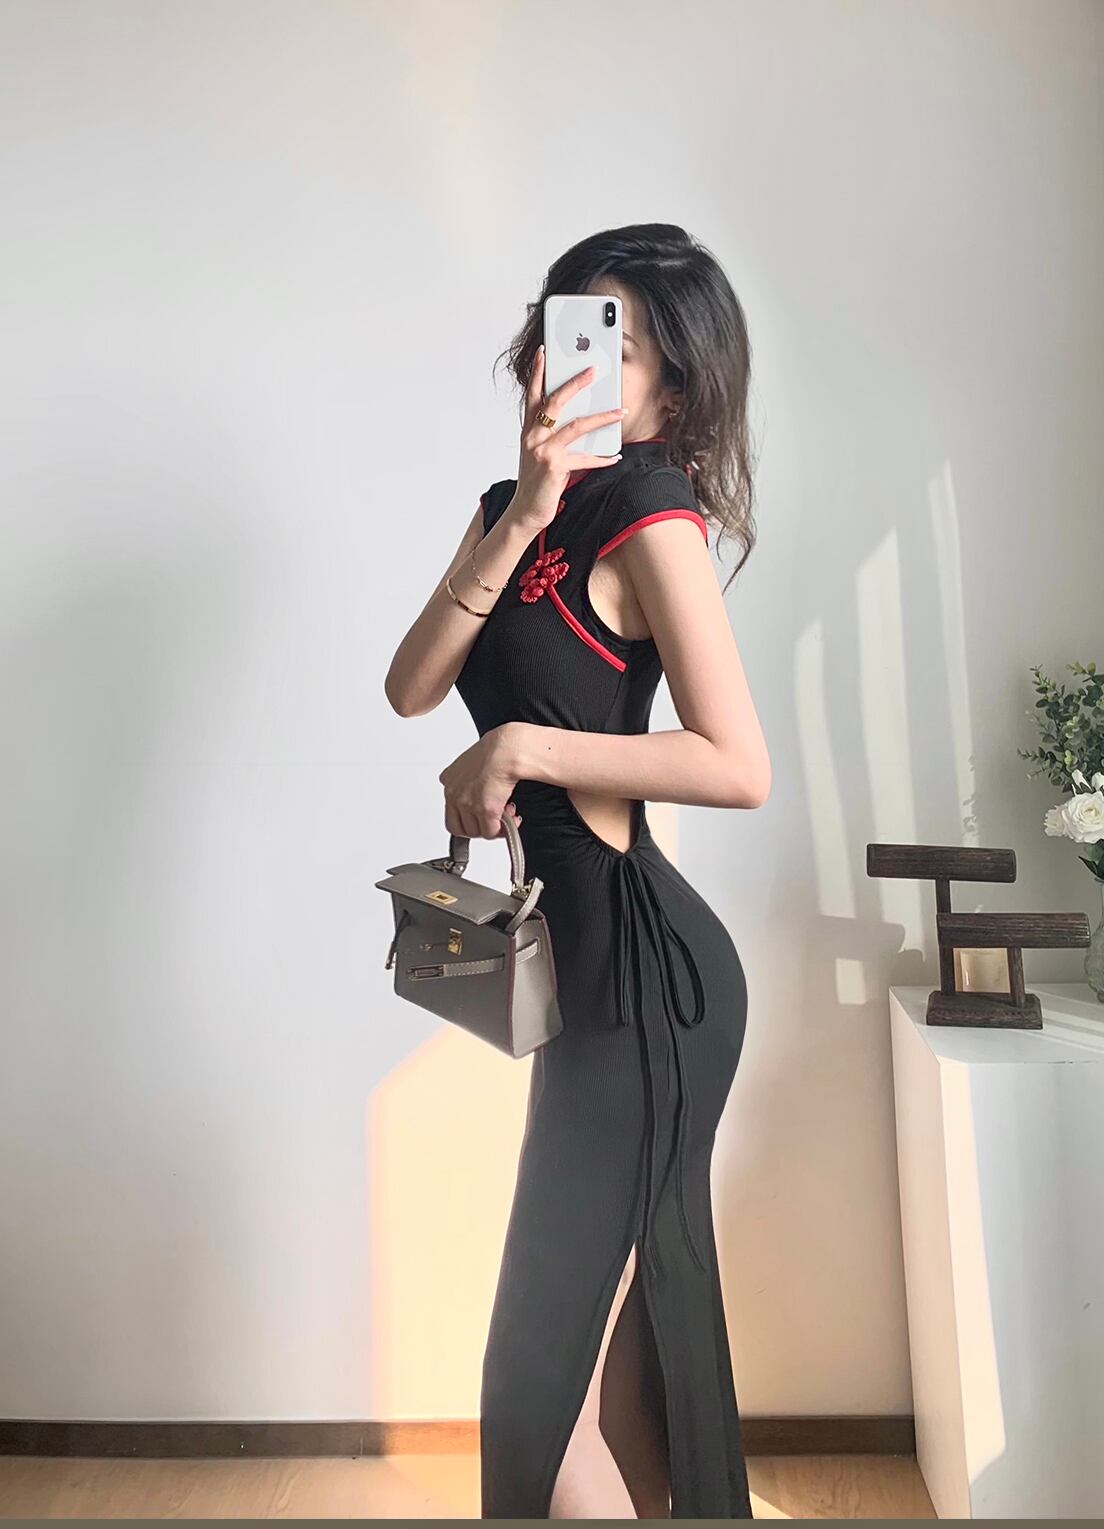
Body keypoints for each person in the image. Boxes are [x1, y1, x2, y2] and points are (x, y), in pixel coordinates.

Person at [384, 223, 770, 1519]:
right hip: (587, 975)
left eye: (632, 347)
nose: (592, 369)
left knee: (537, 1388)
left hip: (649, 981)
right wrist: (528, 508)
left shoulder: (655, 511)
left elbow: (738, 762)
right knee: (604, 1386)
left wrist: (521, 745)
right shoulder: (513, 511)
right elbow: (411, 685)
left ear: (678, 387)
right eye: (578, 332)